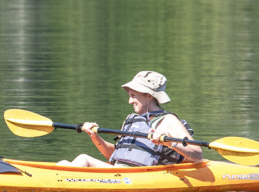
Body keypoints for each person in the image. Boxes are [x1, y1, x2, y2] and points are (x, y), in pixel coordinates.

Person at [58, 71, 203, 168]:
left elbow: (197, 154)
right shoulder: (132, 120)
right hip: (120, 174)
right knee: (64, 163)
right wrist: (94, 136)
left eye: (134, 95)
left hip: (143, 176)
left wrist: (171, 143)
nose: (129, 101)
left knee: (84, 159)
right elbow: (114, 155)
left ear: (149, 96)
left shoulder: (168, 120)